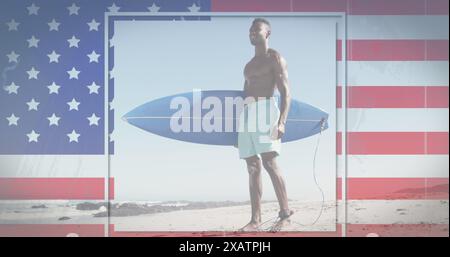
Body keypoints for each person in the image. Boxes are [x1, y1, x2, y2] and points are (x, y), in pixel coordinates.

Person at [237, 18, 293, 232]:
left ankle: (285, 214)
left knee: (270, 162)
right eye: (250, 29)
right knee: (252, 167)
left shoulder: (275, 58)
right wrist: (242, 127)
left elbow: (287, 93)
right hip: (249, 113)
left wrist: (282, 122)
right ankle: (255, 220)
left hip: (266, 110)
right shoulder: (248, 66)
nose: (252, 32)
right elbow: (244, 95)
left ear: (267, 33)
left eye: (256, 29)